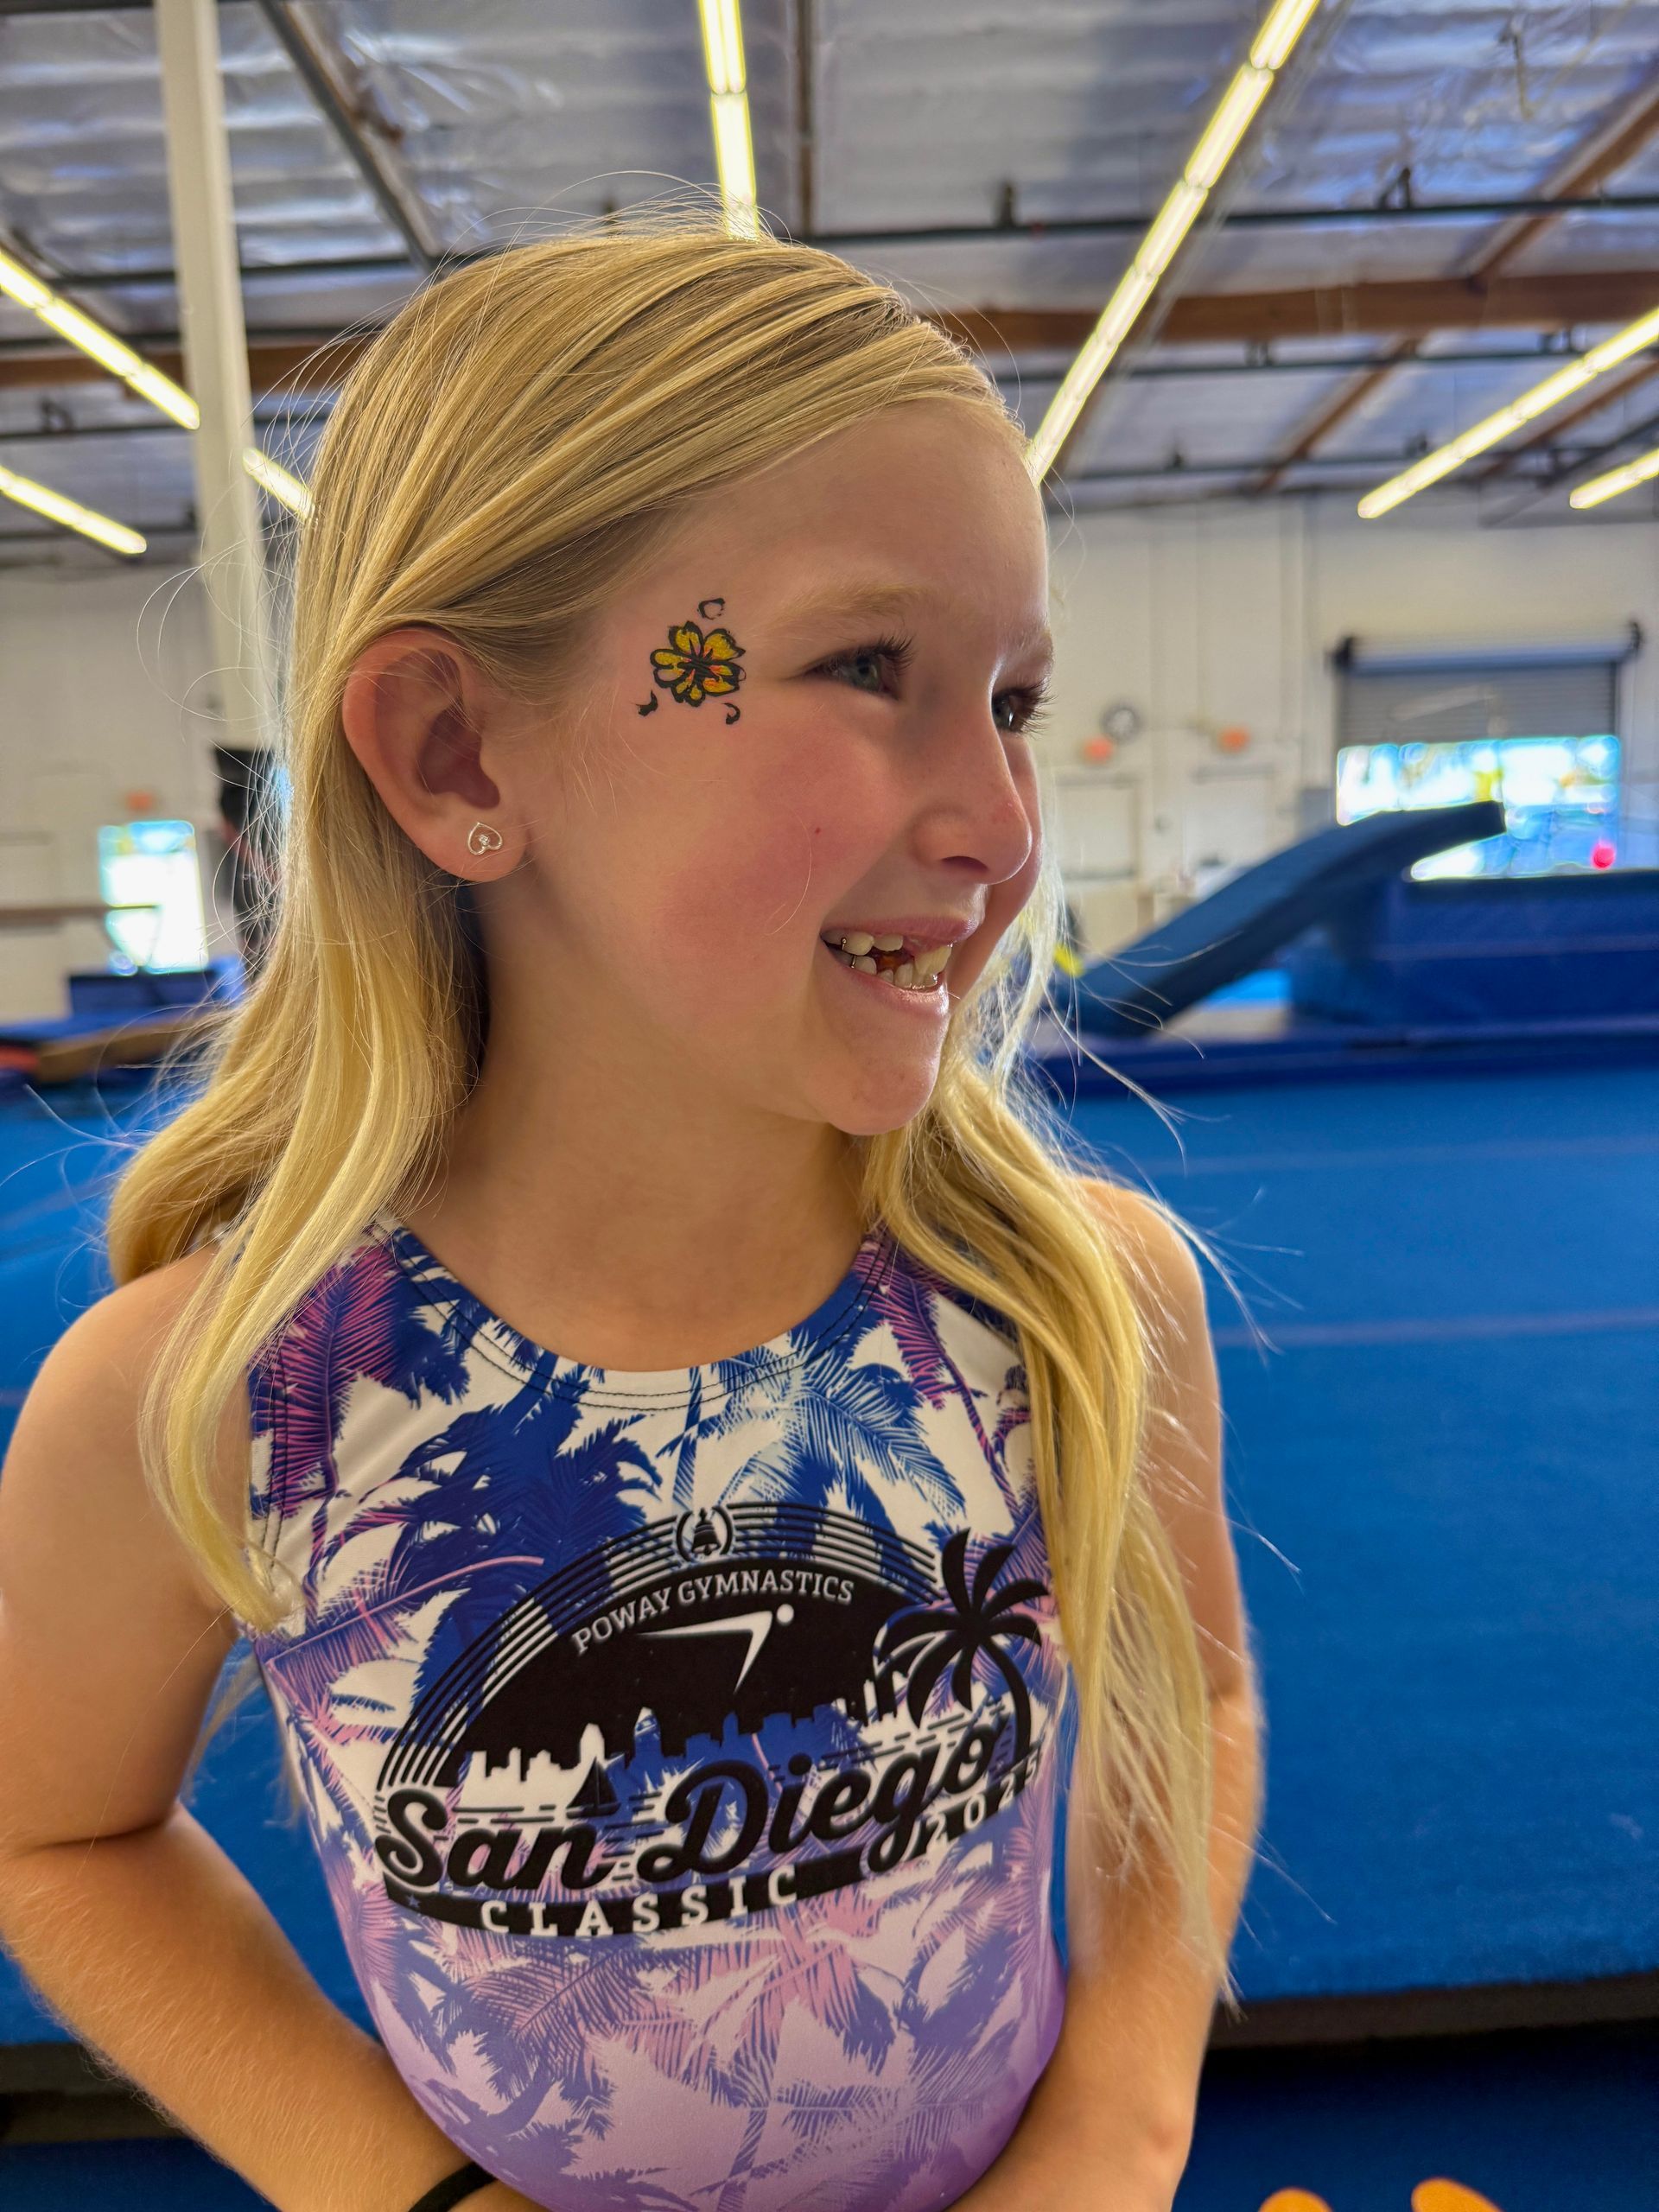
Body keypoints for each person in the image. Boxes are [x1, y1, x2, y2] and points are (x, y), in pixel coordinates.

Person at [0, 205, 1262, 2212]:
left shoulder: (1069, 1296)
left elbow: (1192, 1697)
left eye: (1012, 699)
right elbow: (58, 1836)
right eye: (870, 668)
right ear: (457, 747)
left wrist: (1117, 2125)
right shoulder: (223, 1396)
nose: (1002, 825)